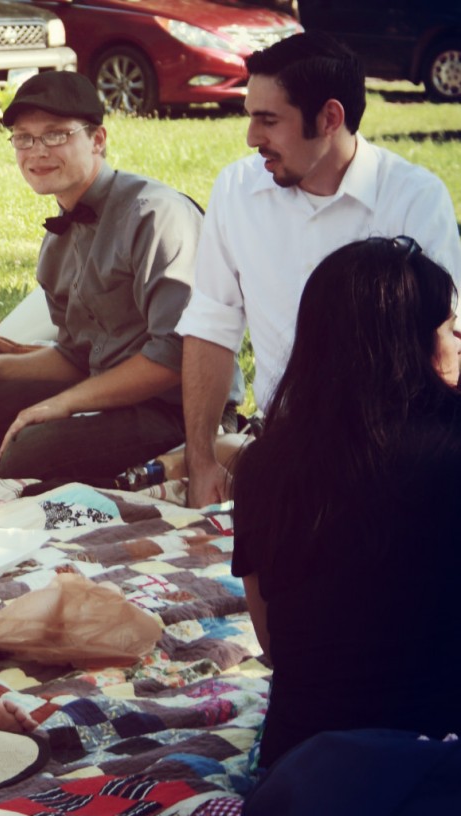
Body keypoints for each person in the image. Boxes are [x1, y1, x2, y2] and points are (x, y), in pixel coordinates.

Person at [0, 70, 208, 484]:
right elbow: (76, 356)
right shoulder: (60, 238)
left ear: (98, 139)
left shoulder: (155, 215)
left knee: (28, 452)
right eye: (23, 138)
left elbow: (177, 357)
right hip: (101, 388)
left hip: (176, 407)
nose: (37, 151)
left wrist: (64, 404)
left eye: (56, 134)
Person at [177, 31, 461, 508]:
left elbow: (445, 347)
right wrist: (201, 462)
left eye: (269, 120)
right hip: (284, 449)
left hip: (393, 458)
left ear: (330, 118)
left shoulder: (413, 196)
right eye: (251, 118)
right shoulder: (235, 191)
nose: (252, 139)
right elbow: (211, 327)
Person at [231, 236, 461, 769]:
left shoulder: (265, 465)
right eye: (450, 328)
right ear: (413, 345)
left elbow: (273, 644)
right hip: (439, 762)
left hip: (307, 772)